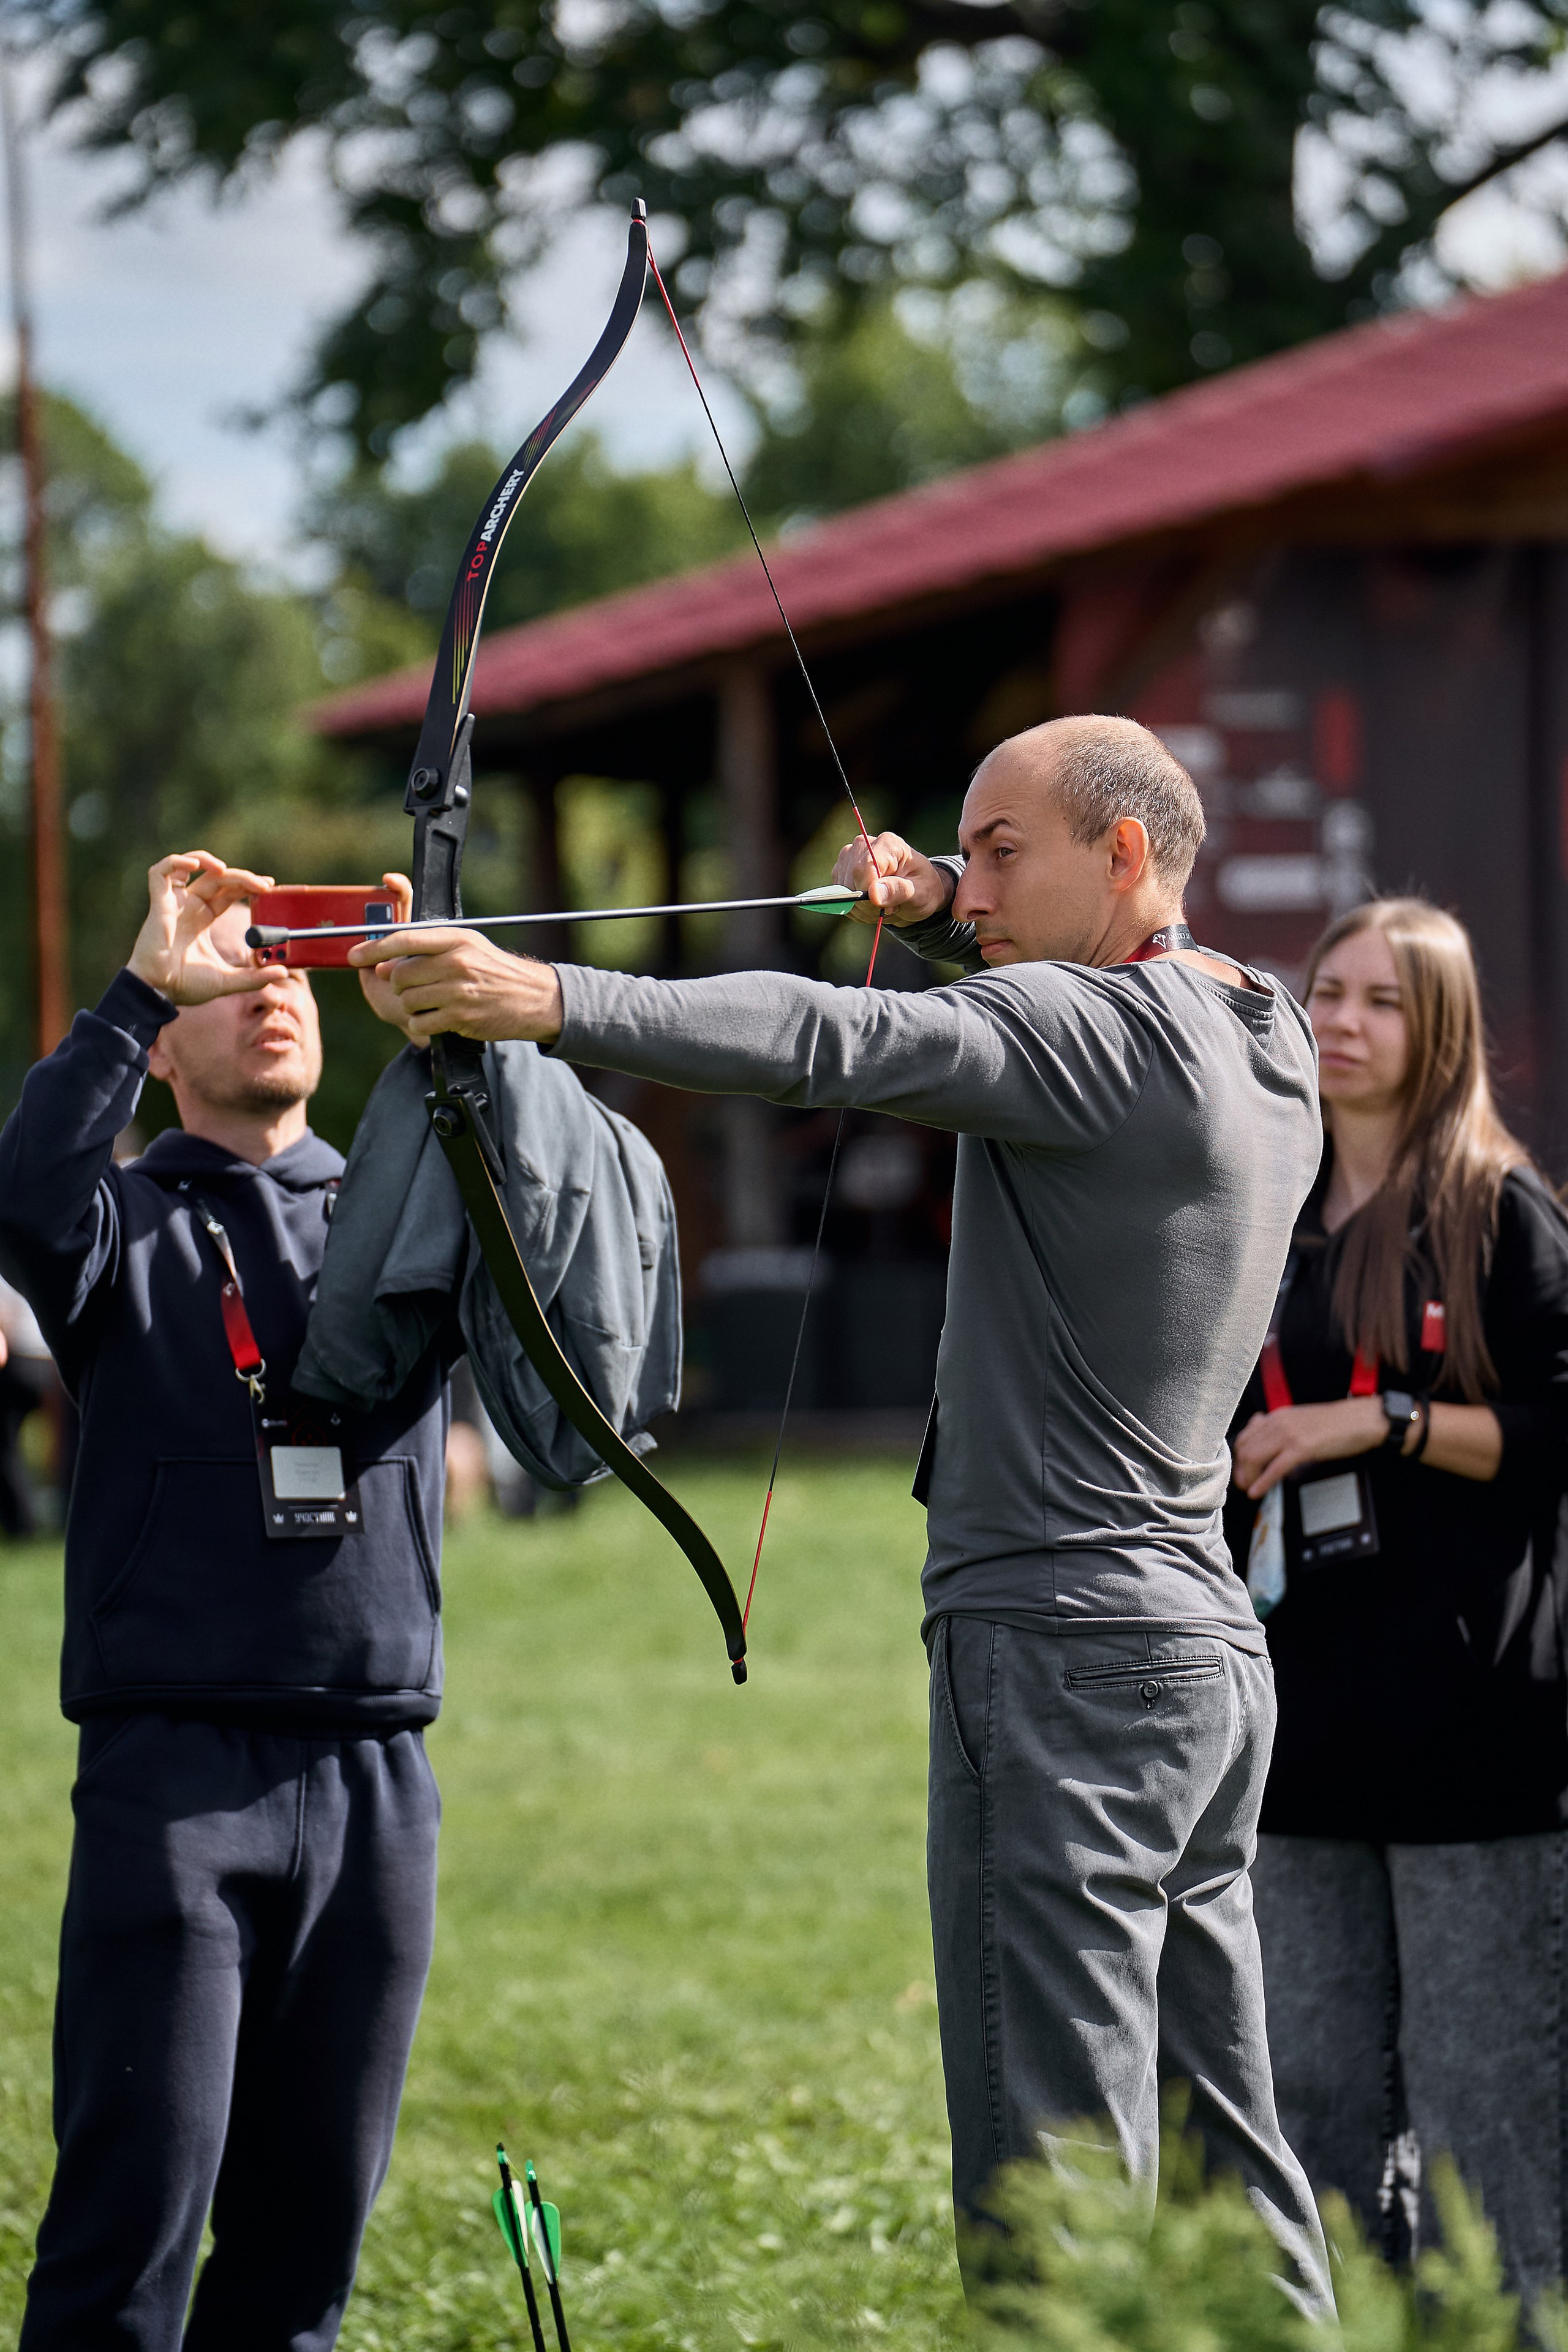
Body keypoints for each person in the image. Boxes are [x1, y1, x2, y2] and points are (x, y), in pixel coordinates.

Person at [348, 714, 1336, 2312]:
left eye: (1005, 848)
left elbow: (832, 1040)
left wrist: (544, 998)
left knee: (1057, 2171)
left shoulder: (1086, 1036)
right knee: (1223, 2137)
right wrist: (953, 894)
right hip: (1203, 1659)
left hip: (1059, 1651)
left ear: (1128, 852)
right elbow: (1048, 984)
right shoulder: (1266, 1033)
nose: (975, 882)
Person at [0, 849, 673, 2349]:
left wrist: (460, 1012)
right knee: (127, 2244)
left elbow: (563, 1227)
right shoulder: (121, 1227)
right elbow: (27, 1190)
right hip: (173, 1784)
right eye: (236, 978)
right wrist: (131, 989)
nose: (273, 995)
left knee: (305, 2257)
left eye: (295, 974)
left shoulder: (400, 1211)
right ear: (169, 1041)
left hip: (377, 1781)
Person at [1224, 898, 1568, 2308]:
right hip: (1295, 1727)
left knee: (1485, 2120)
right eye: (1325, 992)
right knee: (1304, 2099)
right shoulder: (1265, 1196)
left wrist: (1381, 1425)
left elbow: (1555, 1430)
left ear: (1440, 1036)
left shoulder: (1497, 1209)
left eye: (1380, 1003)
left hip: (1472, 1733)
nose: (1340, 1024)